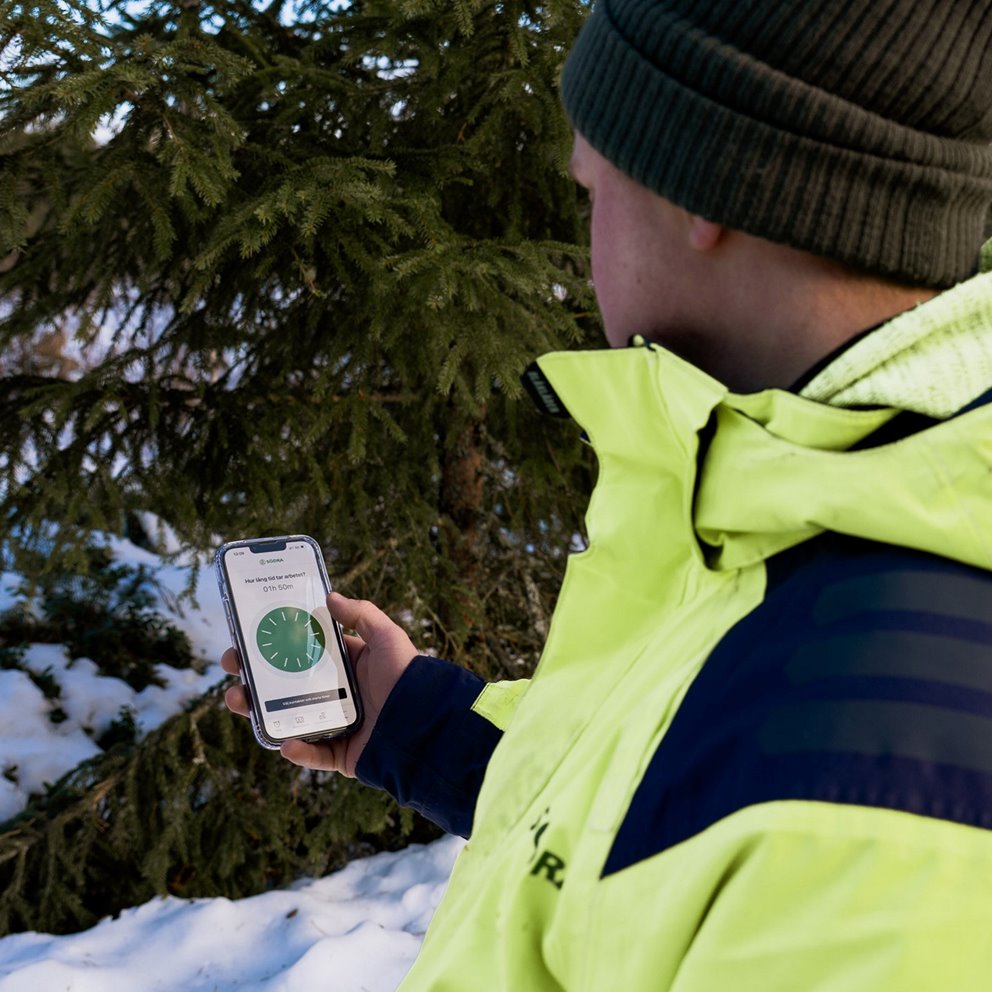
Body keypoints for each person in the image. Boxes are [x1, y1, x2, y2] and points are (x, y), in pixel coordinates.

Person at [223, 0, 992, 986]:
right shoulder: (819, 507)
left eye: (591, 188)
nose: (588, 241)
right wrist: (416, 726)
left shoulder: (870, 811)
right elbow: (679, 787)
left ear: (700, 183)